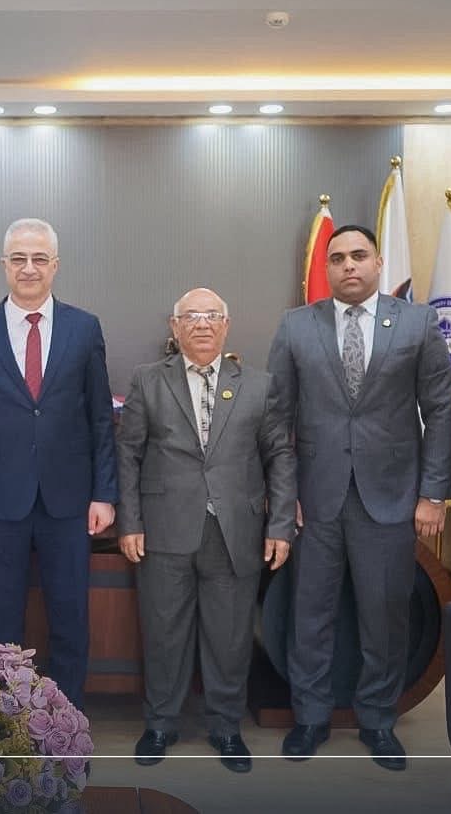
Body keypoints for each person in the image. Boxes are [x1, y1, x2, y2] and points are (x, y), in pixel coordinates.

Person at [267, 224, 451, 771]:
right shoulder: (296, 326)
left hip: (392, 497)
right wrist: (283, 494)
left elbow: (441, 410)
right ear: (327, 269)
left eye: (358, 255)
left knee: (385, 615)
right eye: (338, 258)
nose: (348, 265)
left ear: (377, 263)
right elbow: (276, 419)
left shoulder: (417, 323)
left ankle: (378, 720)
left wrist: (433, 493)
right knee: (310, 614)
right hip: (314, 499)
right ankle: (310, 718)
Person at [116, 288, 296, 772]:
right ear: (174, 327)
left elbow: (280, 456)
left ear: (226, 325)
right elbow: (127, 454)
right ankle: (160, 724)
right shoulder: (148, 380)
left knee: (230, 638)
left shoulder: (259, 385)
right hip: (163, 531)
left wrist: (281, 524)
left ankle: (226, 728)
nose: (202, 324)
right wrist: (130, 522)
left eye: (212, 315)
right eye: (191, 316)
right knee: (163, 634)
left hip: (235, 532)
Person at [0, 218, 118, 708]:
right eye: (19, 258)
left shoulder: (84, 328)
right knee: (2, 620)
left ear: (55, 265)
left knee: (70, 616)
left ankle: (67, 721)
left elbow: (100, 417)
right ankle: (6, 720)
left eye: (39, 258)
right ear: (4, 264)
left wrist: (104, 493)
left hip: (69, 500)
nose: (29, 268)